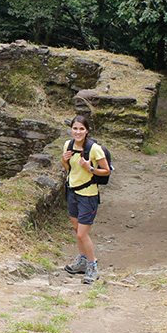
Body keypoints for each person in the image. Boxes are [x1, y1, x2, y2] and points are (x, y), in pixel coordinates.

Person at [61, 115, 110, 284]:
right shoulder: (68, 145)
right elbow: (69, 169)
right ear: (71, 129)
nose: (78, 132)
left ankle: (92, 267)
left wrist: (89, 168)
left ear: (87, 130)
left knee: (83, 234)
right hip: (72, 192)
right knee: (77, 230)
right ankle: (82, 261)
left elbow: (106, 171)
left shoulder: (94, 149)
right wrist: (64, 160)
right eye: (75, 128)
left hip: (88, 195)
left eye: (81, 129)